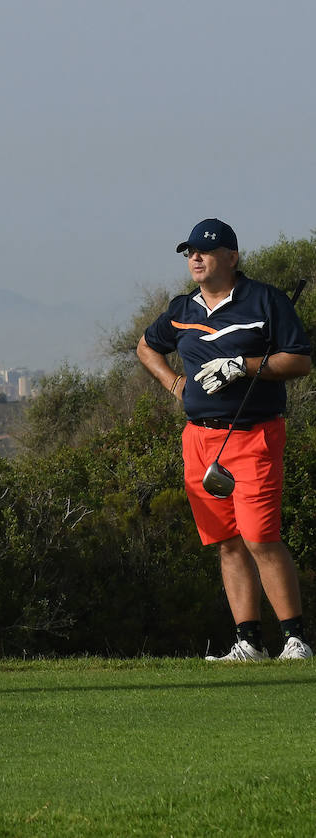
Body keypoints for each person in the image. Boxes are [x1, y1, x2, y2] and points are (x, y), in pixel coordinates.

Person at [136, 218, 313, 661]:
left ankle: (295, 639)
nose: (194, 258)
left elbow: (297, 361)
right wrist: (175, 385)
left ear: (231, 257)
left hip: (253, 434)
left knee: (260, 538)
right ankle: (248, 641)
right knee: (226, 541)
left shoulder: (264, 300)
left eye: (204, 251)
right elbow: (146, 346)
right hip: (200, 439)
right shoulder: (182, 308)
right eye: (189, 252)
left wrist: (243, 365)